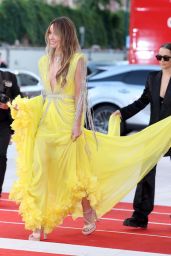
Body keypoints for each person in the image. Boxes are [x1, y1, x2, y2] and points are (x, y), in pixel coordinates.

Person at [9, 18, 171, 241]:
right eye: (48, 33)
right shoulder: (43, 62)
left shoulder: (78, 60)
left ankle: (88, 213)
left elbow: (80, 97)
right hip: (47, 122)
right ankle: (38, 223)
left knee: (74, 173)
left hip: (67, 122)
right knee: (40, 171)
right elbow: (45, 96)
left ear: (66, 34)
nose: (50, 37)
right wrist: (25, 106)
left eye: (55, 33)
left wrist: (77, 125)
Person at [113, 43, 171, 228]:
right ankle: (140, 216)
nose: (161, 61)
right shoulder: (153, 78)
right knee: (145, 172)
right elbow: (142, 102)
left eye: (166, 58)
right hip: (154, 132)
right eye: (159, 57)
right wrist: (122, 113)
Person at [0, 70, 21, 197]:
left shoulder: (9, 77)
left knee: (1, 156)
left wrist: (8, 104)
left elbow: (20, 99)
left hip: (3, 124)